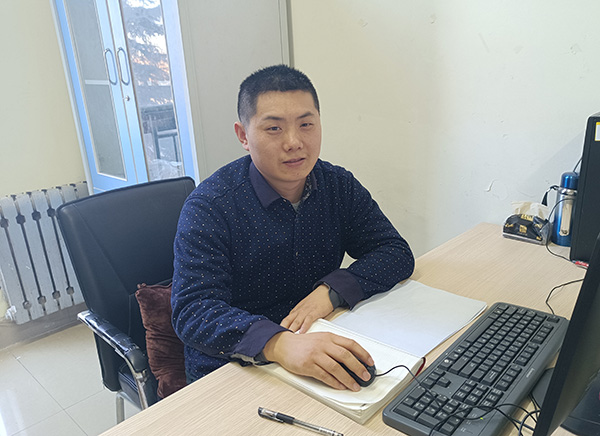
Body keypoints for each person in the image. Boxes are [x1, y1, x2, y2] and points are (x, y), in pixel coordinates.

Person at [171, 65, 414, 392]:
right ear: (243, 136)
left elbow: (394, 252)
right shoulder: (211, 206)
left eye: (306, 124)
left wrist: (329, 293)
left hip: (318, 337)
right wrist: (278, 343)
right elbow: (193, 311)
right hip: (234, 365)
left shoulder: (337, 185)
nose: (294, 142)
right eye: (274, 128)